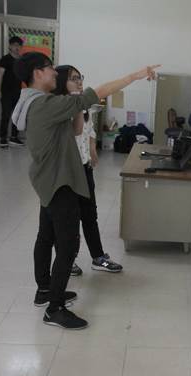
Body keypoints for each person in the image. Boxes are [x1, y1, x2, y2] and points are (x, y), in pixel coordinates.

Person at [12, 52, 159, 329]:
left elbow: (77, 131)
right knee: (68, 244)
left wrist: (76, 102)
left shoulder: (33, 102)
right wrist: (135, 76)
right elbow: (98, 92)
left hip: (50, 179)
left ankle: (45, 290)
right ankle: (54, 308)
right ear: (37, 73)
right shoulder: (43, 104)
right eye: (50, 68)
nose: (54, 72)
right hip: (59, 182)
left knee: (46, 236)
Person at [52, 65, 123, 276]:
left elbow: (89, 129)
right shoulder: (57, 107)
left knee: (90, 214)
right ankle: (68, 260)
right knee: (69, 220)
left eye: (80, 77)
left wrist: (92, 149)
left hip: (84, 167)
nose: (80, 82)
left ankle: (98, 257)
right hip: (67, 172)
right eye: (74, 78)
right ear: (61, 82)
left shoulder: (84, 104)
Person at [0, 36, 25, 148]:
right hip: (6, 92)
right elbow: (0, 75)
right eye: (15, 45)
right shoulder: (5, 59)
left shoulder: (21, 60)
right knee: (6, 115)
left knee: (17, 116)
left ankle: (14, 137)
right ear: (10, 46)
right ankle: (3, 138)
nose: (17, 47)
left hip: (18, 92)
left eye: (19, 45)